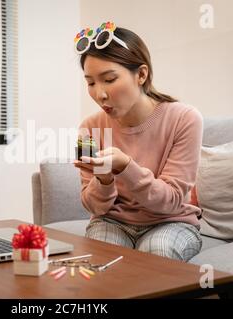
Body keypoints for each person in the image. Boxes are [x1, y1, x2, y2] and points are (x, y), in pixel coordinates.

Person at [73, 22, 203, 262]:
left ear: (141, 75)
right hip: (112, 221)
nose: (99, 94)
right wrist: (104, 178)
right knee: (99, 258)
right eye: (90, 82)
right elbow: (94, 208)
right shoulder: (89, 128)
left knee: (158, 251)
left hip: (170, 222)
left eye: (109, 79)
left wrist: (126, 168)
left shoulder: (184, 119)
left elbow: (171, 201)